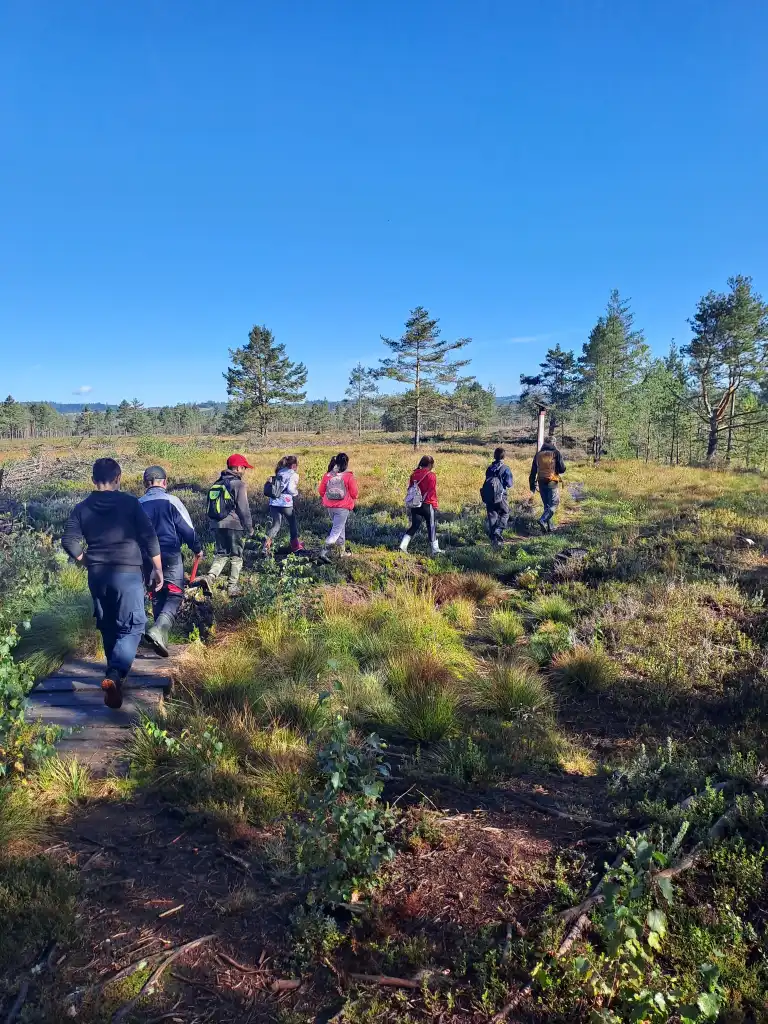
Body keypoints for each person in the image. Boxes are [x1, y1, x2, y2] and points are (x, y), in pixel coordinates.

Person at [62, 457, 162, 709]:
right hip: (127, 572)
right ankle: (115, 674)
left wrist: (87, 561)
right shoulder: (130, 503)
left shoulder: (81, 508)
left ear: (93, 480)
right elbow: (149, 537)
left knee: (108, 625)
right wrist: (158, 569)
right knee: (135, 624)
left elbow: (69, 541)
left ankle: (114, 678)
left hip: (97, 575)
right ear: (118, 477)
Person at [139, 466, 202, 657]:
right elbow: (187, 529)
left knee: (157, 594)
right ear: (164, 482)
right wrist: (197, 548)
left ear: (145, 483)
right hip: (170, 553)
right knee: (174, 594)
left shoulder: (137, 504)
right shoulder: (173, 501)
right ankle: (159, 630)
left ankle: (159, 638)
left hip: (147, 557)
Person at [200, 453, 254, 596]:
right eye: (244, 468)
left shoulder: (216, 484)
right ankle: (232, 587)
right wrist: (249, 527)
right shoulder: (239, 484)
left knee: (221, 554)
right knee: (237, 556)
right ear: (237, 468)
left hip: (216, 524)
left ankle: (210, 577)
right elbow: (244, 508)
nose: (245, 471)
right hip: (233, 524)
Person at [399, 454, 443, 555]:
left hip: (415, 503)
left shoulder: (414, 474)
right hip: (427, 504)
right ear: (430, 464)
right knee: (431, 526)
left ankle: (403, 545)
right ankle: (435, 550)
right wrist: (435, 504)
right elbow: (432, 491)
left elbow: (410, 488)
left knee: (414, 525)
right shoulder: (431, 475)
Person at [318, 452, 359, 559]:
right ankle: (323, 552)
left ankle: (342, 552)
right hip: (343, 508)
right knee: (336, 532)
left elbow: (321, 491)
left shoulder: (327, 476)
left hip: (330, 508)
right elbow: (354, 494)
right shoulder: (348, 476)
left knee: (340, 529)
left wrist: (328, 498)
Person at [263, 455, 304, 555]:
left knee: (276, 525)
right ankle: (295, 546)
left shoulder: (280, 472)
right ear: (294, 465)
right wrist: (296, 493)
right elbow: (290, 489)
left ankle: (266, 546)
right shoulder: (293, 474)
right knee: (292, 523)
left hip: (274, 502)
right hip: (286, 503)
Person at [529, 435, 566, 532]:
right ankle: (543, 520)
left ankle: (549, 527)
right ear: (553, 443)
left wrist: (532, 485)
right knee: (554, 503)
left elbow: (533, 471)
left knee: (547, 505)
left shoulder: (538, 454)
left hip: (540, 481)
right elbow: (562, 469)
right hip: (551, 481)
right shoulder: (556, 453)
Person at [481, 446, 514, 547]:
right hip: (501, 496)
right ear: (504, 457)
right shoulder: (505, 468)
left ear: (494, 456)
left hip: (489, 496)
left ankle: (494, 541)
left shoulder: (489, 468)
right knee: (505, 513)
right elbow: (509, 484)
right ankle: (499, 530)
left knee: (492, 516)